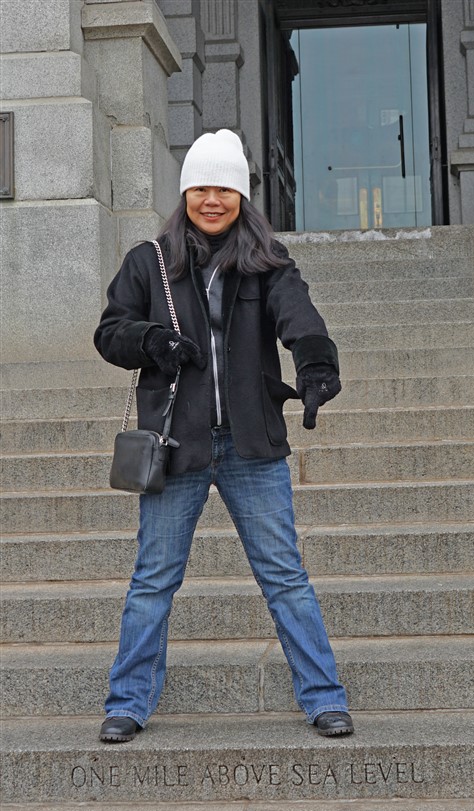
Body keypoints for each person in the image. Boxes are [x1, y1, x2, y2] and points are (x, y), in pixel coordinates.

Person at [94, 129, 353, 743]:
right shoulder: (147, 261)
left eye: (225, 188)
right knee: (154, 579)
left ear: (241, 195)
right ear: (186, 192)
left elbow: (299, 316)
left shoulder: (267, 259)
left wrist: (316, 364)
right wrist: (152, 340)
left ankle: (324, 698)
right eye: (201, 188)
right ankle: (127, 703)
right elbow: (111, 331)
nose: (213, 199)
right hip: (175, 444)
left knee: (285, 576)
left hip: (250, 443)